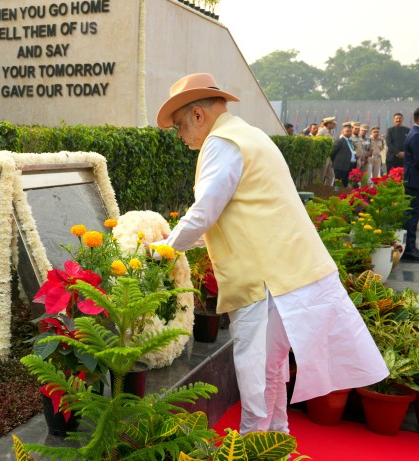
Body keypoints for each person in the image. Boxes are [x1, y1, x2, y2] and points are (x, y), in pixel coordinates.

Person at [153, 73, 387, 435]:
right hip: (282, 273)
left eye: (179, 127)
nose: (181, 138)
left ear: (198, 115)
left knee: (258, 372)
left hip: (265, 280)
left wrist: (163, 250)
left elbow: (204, 212)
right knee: (270, 368)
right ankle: (276, 440)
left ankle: (254, 446)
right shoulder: (249, 135)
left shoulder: (221, 142)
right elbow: (232, 214)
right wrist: (177, 239)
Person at [401, 107, 419, 262]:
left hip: (415, 179)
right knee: (413, 215)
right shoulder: (417, 135)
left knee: (412, 214)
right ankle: (409, 249)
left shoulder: (416, 133)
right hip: (416, 180)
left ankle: (411, 246)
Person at [330, 122, 357, 187]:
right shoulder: (340, 141)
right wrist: (336, 161)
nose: (349, 132)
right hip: (340, 165)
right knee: (338, 181)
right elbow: (333, 152)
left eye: (350, 131)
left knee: (345, 182)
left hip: (350, 165)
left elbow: (353, 152)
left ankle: (343, 195)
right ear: (342, 132)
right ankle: (335, 194)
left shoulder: (351, 142)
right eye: (347, 131)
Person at [317, 117, 336, 185]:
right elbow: (318, 142)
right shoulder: (322, 131)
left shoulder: (331, 132)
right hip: (324, 156)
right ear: (328, 124)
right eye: (333, 123)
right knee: (321, 175)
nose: (334, 125)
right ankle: (318, 190)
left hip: (330, 156)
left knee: (331, 175)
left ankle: (326, 190)